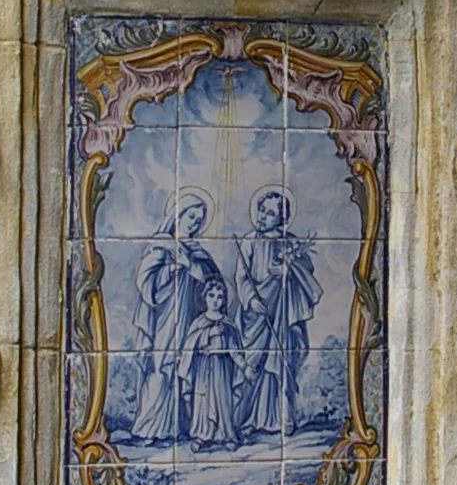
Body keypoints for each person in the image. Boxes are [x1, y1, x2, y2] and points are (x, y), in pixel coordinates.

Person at [129, 193, 224, 444]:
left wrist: (190, 265)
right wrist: (174, 267)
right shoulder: (161, 245)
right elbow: (146, 283)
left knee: (185, 365)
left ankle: (182, 425)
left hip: (190, 319)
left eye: (199, 220)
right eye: (191, 216)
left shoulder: (198, 252)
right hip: (163, 317)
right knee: (161, 365)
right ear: (177, 215)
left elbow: (214, 283)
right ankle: (150, 428)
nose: (194, 223)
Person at [235, 187, 321, 438]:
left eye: (270, 213)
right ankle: (250, 418)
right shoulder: (249, 241)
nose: (262, 216)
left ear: (282, 218)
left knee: (281, 363)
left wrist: (288, 271)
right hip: (257, 315)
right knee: (255, 364)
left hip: (284, 313)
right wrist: (251, 300)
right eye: (262, 210)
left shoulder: (291, 243)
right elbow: (241, 277)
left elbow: (306, 271)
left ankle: (283, 417)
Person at [179, 272, 243, 448]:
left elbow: (235, 350)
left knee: (223, 401)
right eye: (212, 295)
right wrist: (208, 333)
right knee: (203, 401)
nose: (216, 300)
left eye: (220, 297)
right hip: (203, 368)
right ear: (204, 297)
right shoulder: (198, 323)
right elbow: (189, 345)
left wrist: (244, 366)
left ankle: (226, 435)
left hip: (222, 369)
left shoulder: (228, 324)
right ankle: (201, 435)